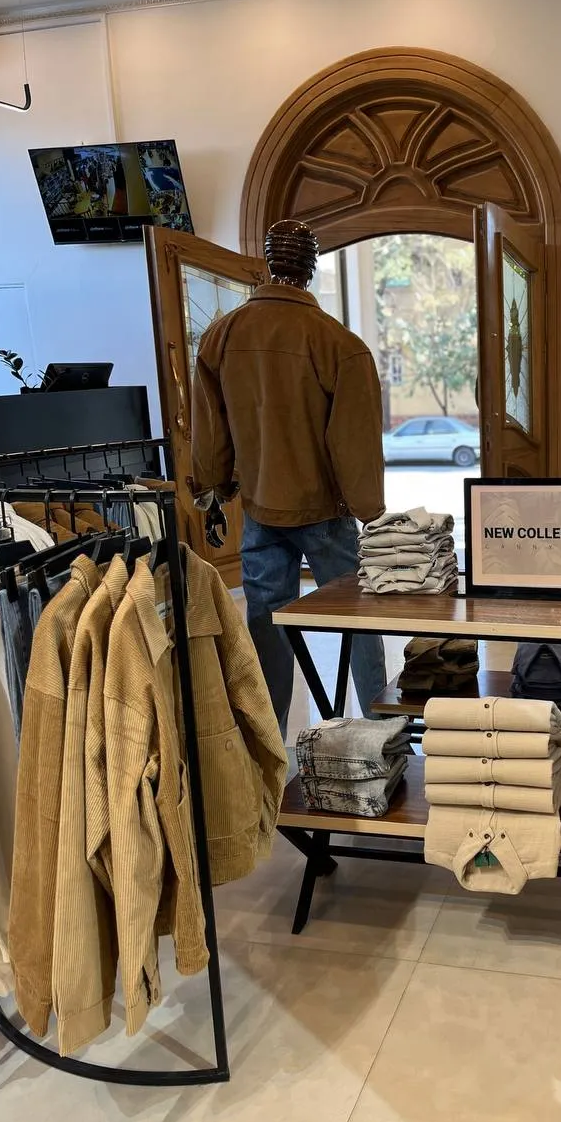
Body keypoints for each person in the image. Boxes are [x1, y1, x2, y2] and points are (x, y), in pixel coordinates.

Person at [191, 219, 387, 739]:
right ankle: (381, 731)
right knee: (359, 618)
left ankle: (269, 744)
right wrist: (369, 510)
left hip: (259, 508)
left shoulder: (221, 336)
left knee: (266, 628)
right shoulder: (338, 343)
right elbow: (354, 440)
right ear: (311, 267)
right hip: (325, 512)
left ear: (268, 261)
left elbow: (211, 431)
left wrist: (213, 486)